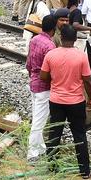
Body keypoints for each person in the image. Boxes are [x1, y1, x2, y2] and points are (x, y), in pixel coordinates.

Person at [41, 24, 91, 179]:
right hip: (76, 101)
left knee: (54, 134)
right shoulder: (81, 56)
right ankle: (85, 171)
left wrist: (56, 79)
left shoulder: (51, 55)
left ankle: (51, 167)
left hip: (56, 100)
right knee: (79, 135)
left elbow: (43, 76)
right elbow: (88, 81)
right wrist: (90, 98)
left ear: (61, 37)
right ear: (75, 39)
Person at [26, 15, 58, 161]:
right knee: (39, 121)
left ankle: (40, 147)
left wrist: (31, 75)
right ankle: (32, 153)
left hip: (33, 82)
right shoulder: (50, 46)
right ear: (53, 29)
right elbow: (51, 70)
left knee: (36, 117)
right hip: (44, 87)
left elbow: (29, 62)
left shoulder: (34, 40)